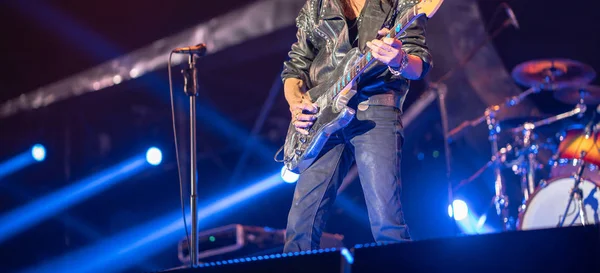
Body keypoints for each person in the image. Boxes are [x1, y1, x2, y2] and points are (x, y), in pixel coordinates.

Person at [280, 0, 432, 252]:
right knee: (300, 229)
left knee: (387, 223)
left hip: (376, 109)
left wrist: (399, 59)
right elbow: (295, 68)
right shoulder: (317, 5)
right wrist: (296, 104)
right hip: (323, 116)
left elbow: (420, 65)